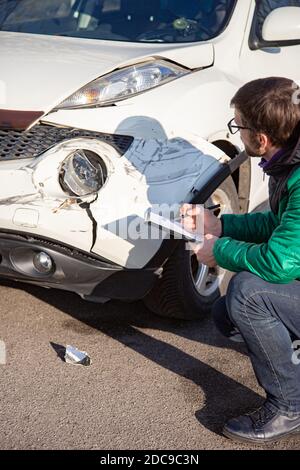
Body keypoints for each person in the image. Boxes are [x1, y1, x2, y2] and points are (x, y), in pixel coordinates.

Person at [181, 76, 300, 444]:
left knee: (247, 294)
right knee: (226, 314)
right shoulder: (290, 161)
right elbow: (278, 224)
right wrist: (222, 223)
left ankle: (289, 406)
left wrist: (218, 250)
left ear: (261, 138)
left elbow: (280, 262)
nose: (238, 133)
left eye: (240, 126)